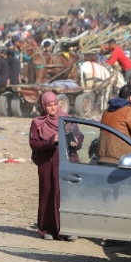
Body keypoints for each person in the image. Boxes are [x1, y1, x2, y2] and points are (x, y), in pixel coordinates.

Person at [29, 92, 83, 241]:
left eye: (54, 104)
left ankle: (69, 229)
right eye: (49, 105)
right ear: (44, 106)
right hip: (47, 163)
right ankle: (47, 229)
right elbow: (34, 143)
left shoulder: (67, 119)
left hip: (67, 162)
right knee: (48, 193)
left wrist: (76, 142)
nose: (53, 108)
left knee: (67, 194)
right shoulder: (38, 122)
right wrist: (52, 140)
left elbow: (79, 136)